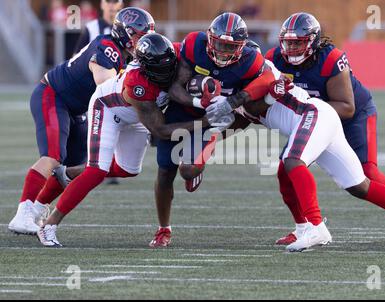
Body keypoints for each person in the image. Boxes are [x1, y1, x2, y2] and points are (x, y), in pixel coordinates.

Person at [37, 33, 220, 247]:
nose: (167, 73)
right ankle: (48, 226)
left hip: (139, 116)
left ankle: (68, 173)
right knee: (96, 172)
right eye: (160, 70)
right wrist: (205, 122)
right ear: (146, 68)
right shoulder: (137, 84)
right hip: (109, 109)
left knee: (128, 169)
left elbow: (178, 82)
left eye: (170, 66)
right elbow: (160, 129)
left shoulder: (177, 54)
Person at [240, 72, 385, 251]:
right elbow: (235, 118)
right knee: (359, 186)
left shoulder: (260, 70)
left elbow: (257, 96)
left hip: (313, 115)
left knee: (293, 161)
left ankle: (316, 227)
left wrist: (233, 102)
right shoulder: (234, 87)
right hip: (320, 119)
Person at [265, 12, 385, 246]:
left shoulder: (331, 58)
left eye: (298, 42)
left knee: (368, 172)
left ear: (313, 42)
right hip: (311, 118)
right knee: (287, 169)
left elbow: (347, 107)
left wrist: (310, 113)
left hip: (353, 114)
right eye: (289, 42)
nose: (292, 48)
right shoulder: (273, 59)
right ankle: (304, 227)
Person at [8, 7, 155, 236]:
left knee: (69, 168)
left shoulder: (123, 52)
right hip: (54, 95)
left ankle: (36, 210)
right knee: (53, 156)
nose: (142, 41)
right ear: (124, 33)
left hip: (77, 109)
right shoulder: (108, 50)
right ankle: (22, 214)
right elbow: (107, 89)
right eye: (138, 35)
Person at [150, 12, 275, 247]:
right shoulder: (195, 45)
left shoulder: (251, 61)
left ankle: (205, 152)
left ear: (241, 47)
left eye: (229, 47)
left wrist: (232, 102)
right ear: (209, 38)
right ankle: (163, 229)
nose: (221, 51)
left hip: (215, 119)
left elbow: (264, 85)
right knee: (165, 171)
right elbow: (175, 85)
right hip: (182, 111)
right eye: (218, 43)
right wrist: (198, 102)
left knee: (187, 170)